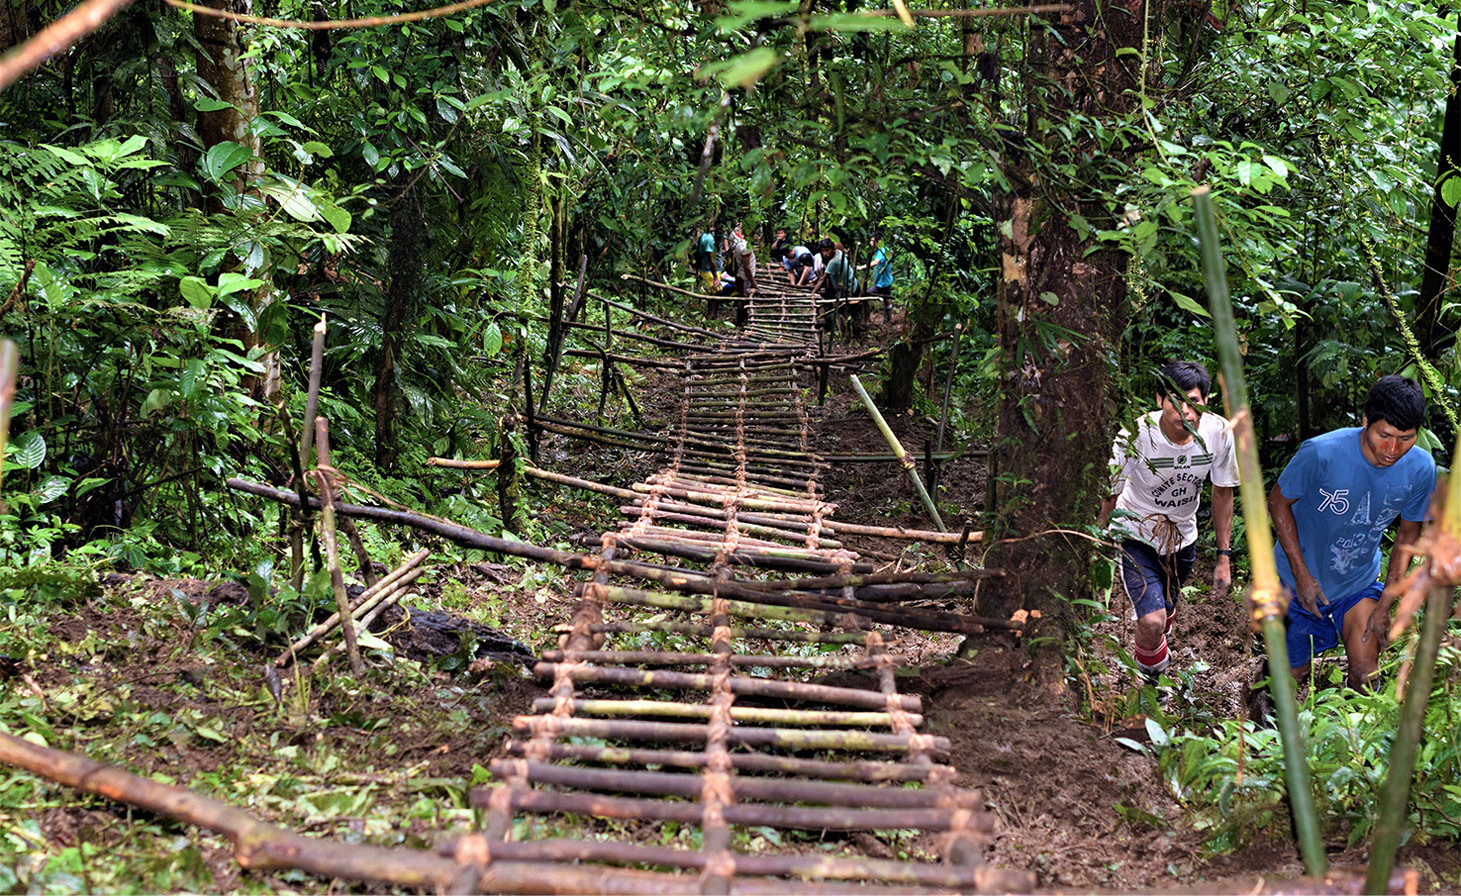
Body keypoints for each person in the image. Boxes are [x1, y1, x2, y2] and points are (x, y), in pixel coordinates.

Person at [1268, 375, 1436, 690]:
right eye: (1384, 435)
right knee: (1294, 675)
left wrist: (1386, 603)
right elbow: (1278, 503)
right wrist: (1301, 574)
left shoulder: (1420, 468)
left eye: (1406, 438)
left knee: (1365, 672)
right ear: (1365, 421)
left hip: (1356, 583)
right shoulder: (1321, 453)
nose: (1393, 449)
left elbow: (1408, 536)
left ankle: (1356, 735)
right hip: (1293, 579)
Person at [1098, 361, 1238, 680]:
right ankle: (1152, 681)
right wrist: (1102, 534)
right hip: (1136, 534)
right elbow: (1111, 490)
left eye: (1193, 402)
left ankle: (1154, 649)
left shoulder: (1217, 433)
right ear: (1160, 400)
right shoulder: (1135, 435)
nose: (1184, 411)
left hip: (1181, 541)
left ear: (1205, 402)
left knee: (1165, 614)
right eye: (1175, 401)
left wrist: (1223, 557)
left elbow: (1222, 494)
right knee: (1151, 621)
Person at [864, 232, 895, 323]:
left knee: (865, 294)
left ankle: (866, 317)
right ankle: (887, 320)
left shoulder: (881, 250)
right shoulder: (885, 249)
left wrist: (861, 267)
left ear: (879, 241)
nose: (871, 243)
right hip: (886, 281)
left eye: (872, 241)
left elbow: (876, 262)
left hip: (882, 283)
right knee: (887, 300)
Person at [694, 228, 719, 294]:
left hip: (716, 269)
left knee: (716, 292)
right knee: (715, 292)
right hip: (708, 270)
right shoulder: (708, 238)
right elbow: (711, 260)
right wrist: (715, 278)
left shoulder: (715, 234)